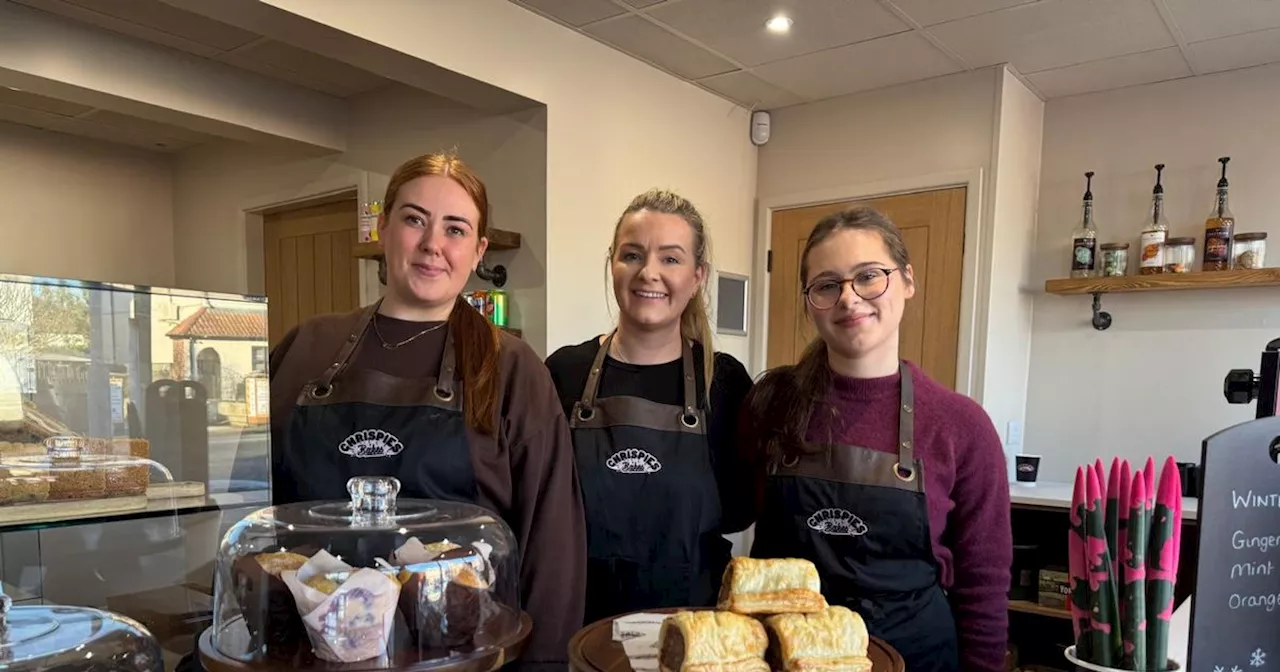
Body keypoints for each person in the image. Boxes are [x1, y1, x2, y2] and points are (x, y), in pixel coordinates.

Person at [267, 152, 586, 671]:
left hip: (459, 656)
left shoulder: (511, 368)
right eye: (415, 219)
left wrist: (544, 665)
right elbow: (253, 508)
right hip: (306, 654)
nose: (433, 244)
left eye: (456, 229)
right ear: (384, 227)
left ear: (479, 249)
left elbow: (553, 545)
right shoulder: (305, 348)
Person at [739, 206, 1011, 672]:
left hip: (917, 657)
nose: (849, 298)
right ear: (809, 300)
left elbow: (983, 584)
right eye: (827, 285)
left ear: (907, 280)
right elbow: (735, 506)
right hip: (790, 655)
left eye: (868, 276)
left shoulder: (962, 426)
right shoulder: (771, 403)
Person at [544, 189, 755, 624]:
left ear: (698, 275)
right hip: (579, 620)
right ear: (613, 264)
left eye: (671, 259)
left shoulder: (725, 382)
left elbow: (741, 509)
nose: (649, 273)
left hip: (696, 626)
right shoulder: (564, 373)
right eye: (633, 255)